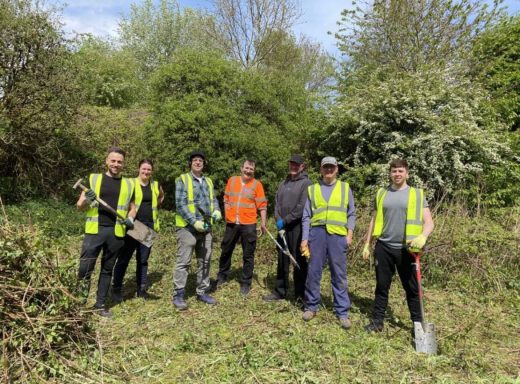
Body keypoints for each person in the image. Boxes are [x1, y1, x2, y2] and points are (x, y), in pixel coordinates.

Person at [362, 158, 434, 333]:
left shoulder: (417, 194)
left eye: (400, 171)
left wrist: (423, 236)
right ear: (390, 174)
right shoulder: (381, 193)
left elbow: (429, 222)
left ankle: (417, 326)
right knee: (381, 286)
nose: (397, 174)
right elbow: (374, 219)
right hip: (384, 247)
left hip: (407, 249)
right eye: (394, 171)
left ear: (407, 173)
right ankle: (377, 321)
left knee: (412, 288)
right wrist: (367, 243)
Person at [76, 147, 135, 317]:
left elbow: (133, 208)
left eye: (119, 162)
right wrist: (87, 198)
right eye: (113, 160)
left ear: (123, 164)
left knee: (107, 270)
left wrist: (130, 218)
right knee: (85, 268)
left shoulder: (128, 184)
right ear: (106, 161)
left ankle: (100, 304)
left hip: (115, 233)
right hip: (95, 231)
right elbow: (79, 206)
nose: (116, 164)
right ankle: (78, 304)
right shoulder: (94, 180)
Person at [300, 156, 356, 330]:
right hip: (317, 235)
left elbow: (351, 214)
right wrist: (304, 238)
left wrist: (350, 235)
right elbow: (306, 216)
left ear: (337, 169)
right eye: (325, 167)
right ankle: (311, 306)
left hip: (338, 236)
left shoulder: (345, 188)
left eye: (331, 167)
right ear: (321, 169)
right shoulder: (313, 189)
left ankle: (342, 311)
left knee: (339, 274)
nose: (328, 170)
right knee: (313, 272)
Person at [172, 150, 221, 310]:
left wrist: (217, 210)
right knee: (184, 262)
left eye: (200, 160)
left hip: (206, 228)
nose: (198, 162)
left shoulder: (208, 181)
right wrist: (194, 222)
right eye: (195, 160)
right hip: (187, 228)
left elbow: (213, 199)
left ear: (203, 163)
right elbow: (180, 204)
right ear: (191, 163)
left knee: (205, 261)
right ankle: (179, 295)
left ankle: (202, 292)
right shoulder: (183, 179)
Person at [112, 159, 164, 302]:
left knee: (143, 259)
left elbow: (161, 196)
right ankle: (116, 289)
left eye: (149, 169)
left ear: (152, 171)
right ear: (138, 169)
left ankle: (141, 289)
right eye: (144, 169)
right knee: (124, 258)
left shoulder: (155, 185)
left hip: (148, 225)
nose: (146, 172)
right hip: (134, 225)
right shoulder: (130, 183)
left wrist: (158, 204)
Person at [263, 154, 312, 303]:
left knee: (298, 261)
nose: (293, 166)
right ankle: (280, 292)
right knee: (282, 259)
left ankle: (300, 296)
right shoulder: (283, 183)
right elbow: (276, 203)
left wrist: (285, 221)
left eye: (296, 164)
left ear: (302, 166)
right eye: (291, 164)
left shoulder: (306, 183)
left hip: (297, 228)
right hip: (282, 228)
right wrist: (278, 219)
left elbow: (301, 207)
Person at [216, 159, 268, 296]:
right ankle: (222, 276)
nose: (248, 171)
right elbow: (226, 199)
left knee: (248, 255)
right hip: (232, 223)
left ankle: (245, 283)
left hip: (249, 224)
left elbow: (262, 206)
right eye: (246, 168)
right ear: (241, 168)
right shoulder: (232, 180)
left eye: (251, 169)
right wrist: (227, 214)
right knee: (226, 250)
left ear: (254, 171)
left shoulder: (257, 185)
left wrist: (263, 223)